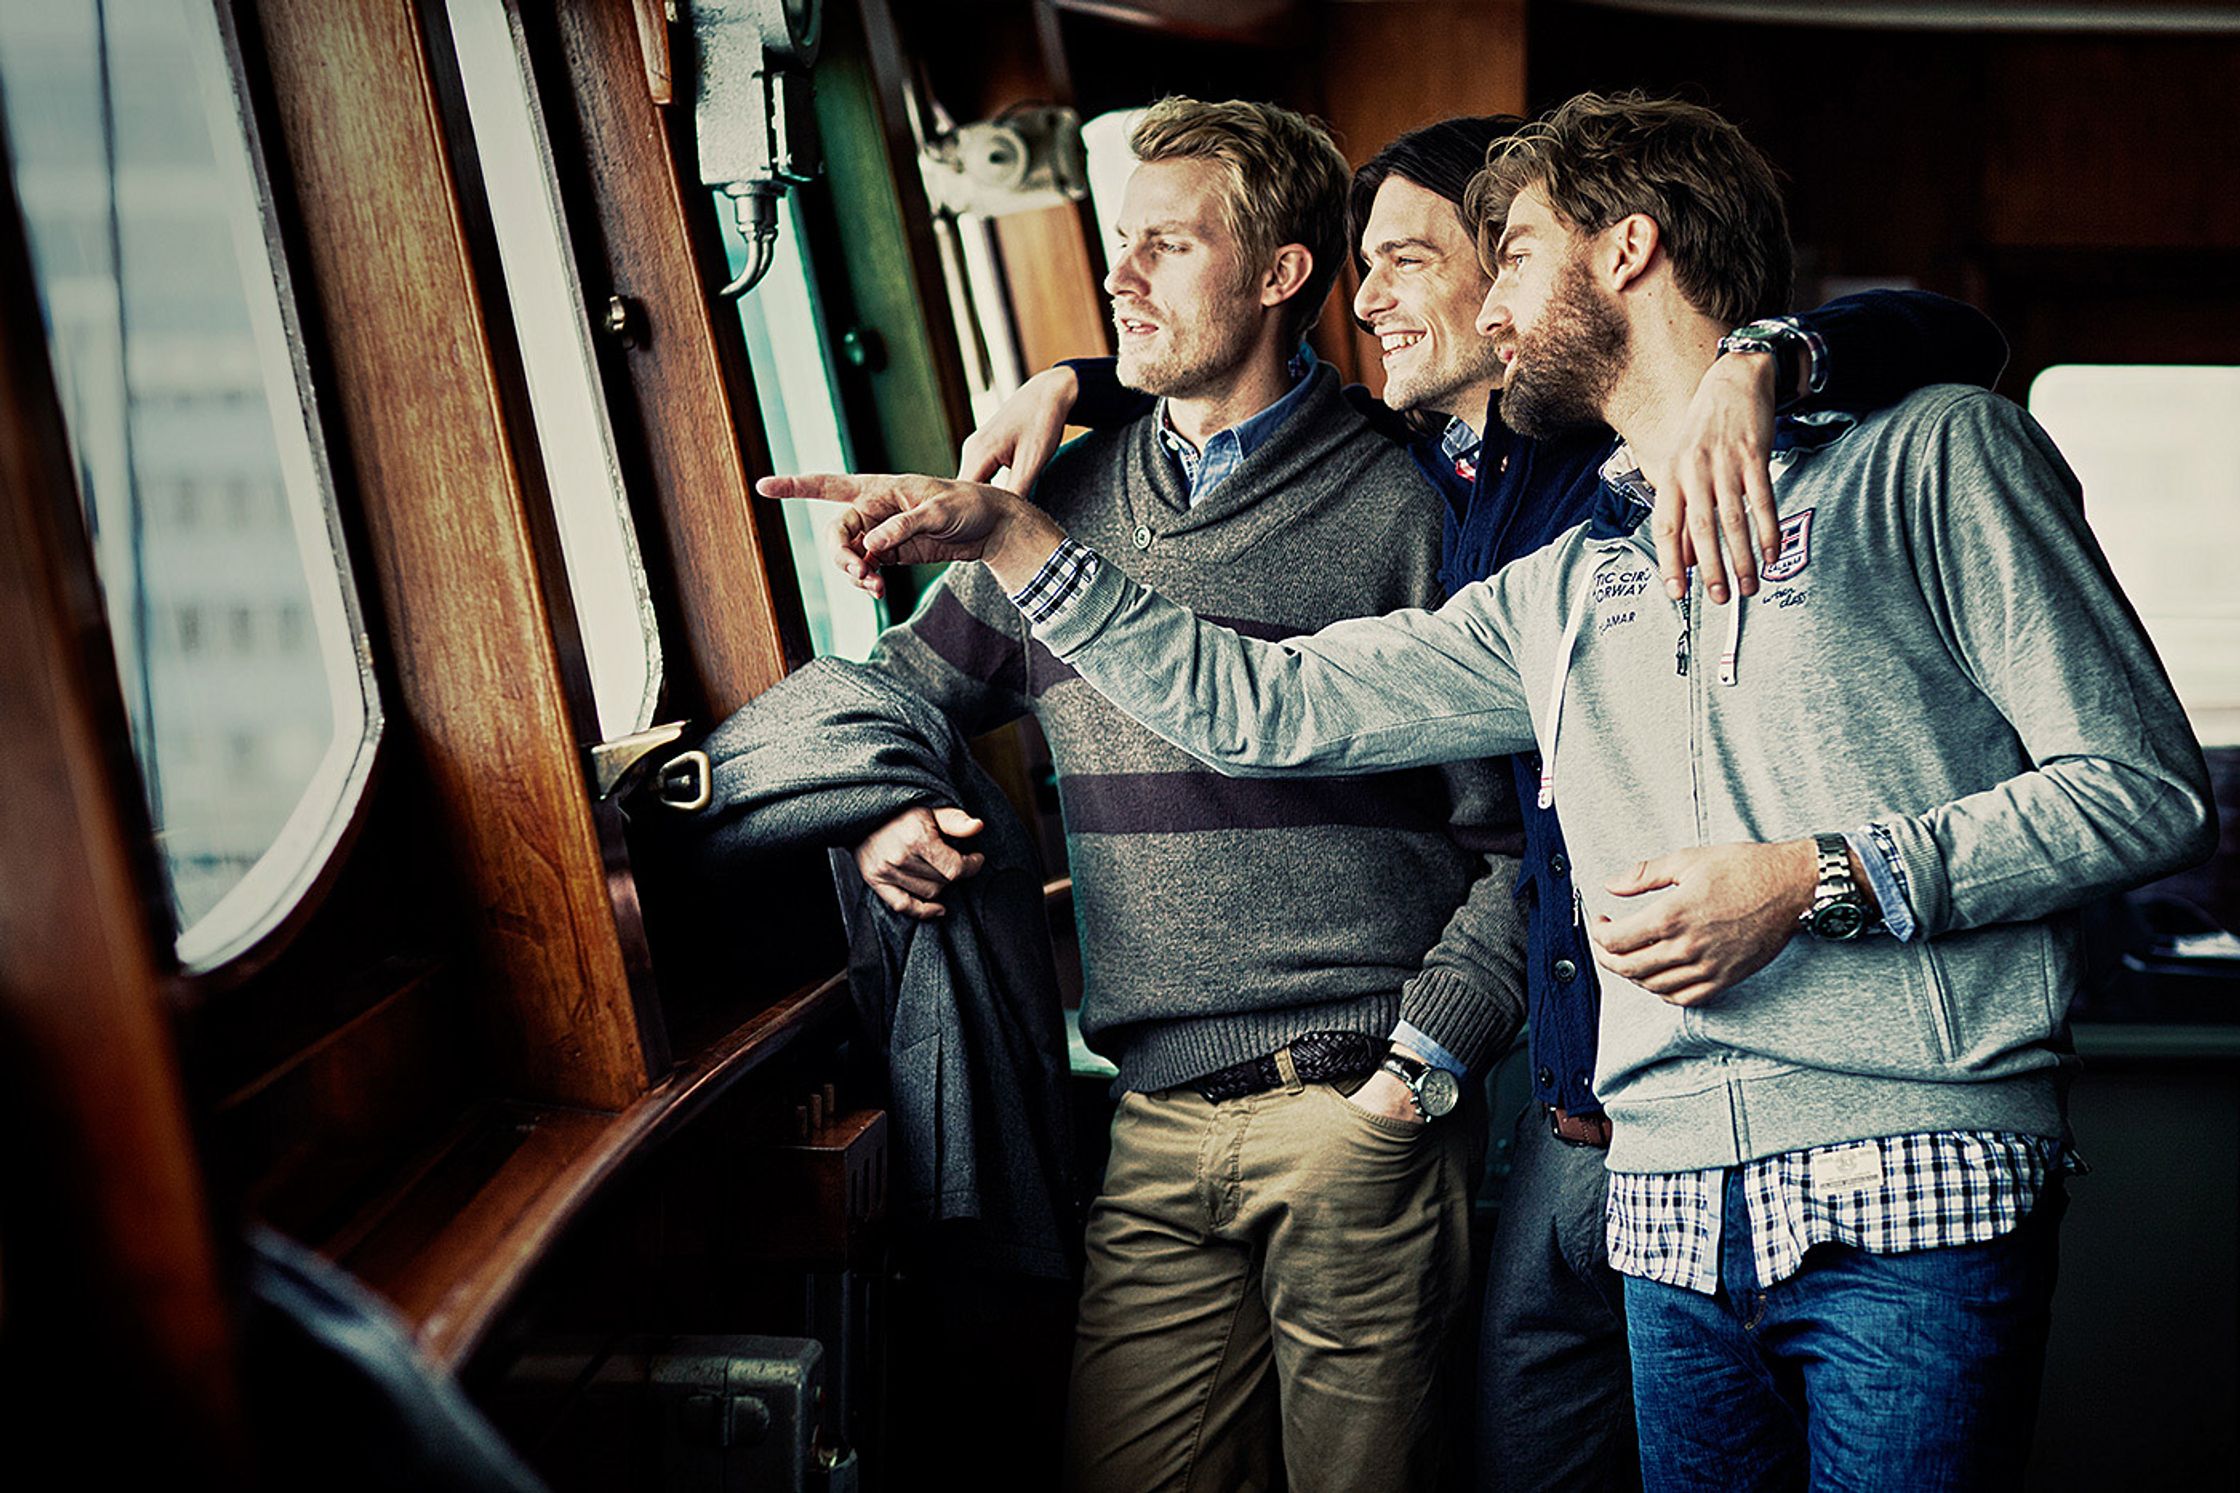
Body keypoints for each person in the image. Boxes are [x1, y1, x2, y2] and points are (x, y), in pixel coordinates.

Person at [770, 91, 2218, 1492]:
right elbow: (1263, 708)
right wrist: (1028, 539)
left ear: (1628, 247)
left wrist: (1813, 878)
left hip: (1914, 1176)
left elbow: (2142, 792)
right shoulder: (1563, 579)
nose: (1492, 310)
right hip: (1668, 1203)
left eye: (1509, 255)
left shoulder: (1935, 454)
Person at [840, 96, 1528, 1492]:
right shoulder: (1058, 507)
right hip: (1150, 1127)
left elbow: (1526, 847)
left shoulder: (1416, 510)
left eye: (1166, 245)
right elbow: (886, 694)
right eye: (1116, 246)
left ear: (1281, 274)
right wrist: (875, 801)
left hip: (1362, 1116)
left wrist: (1418, 1070)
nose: (1119, 277)